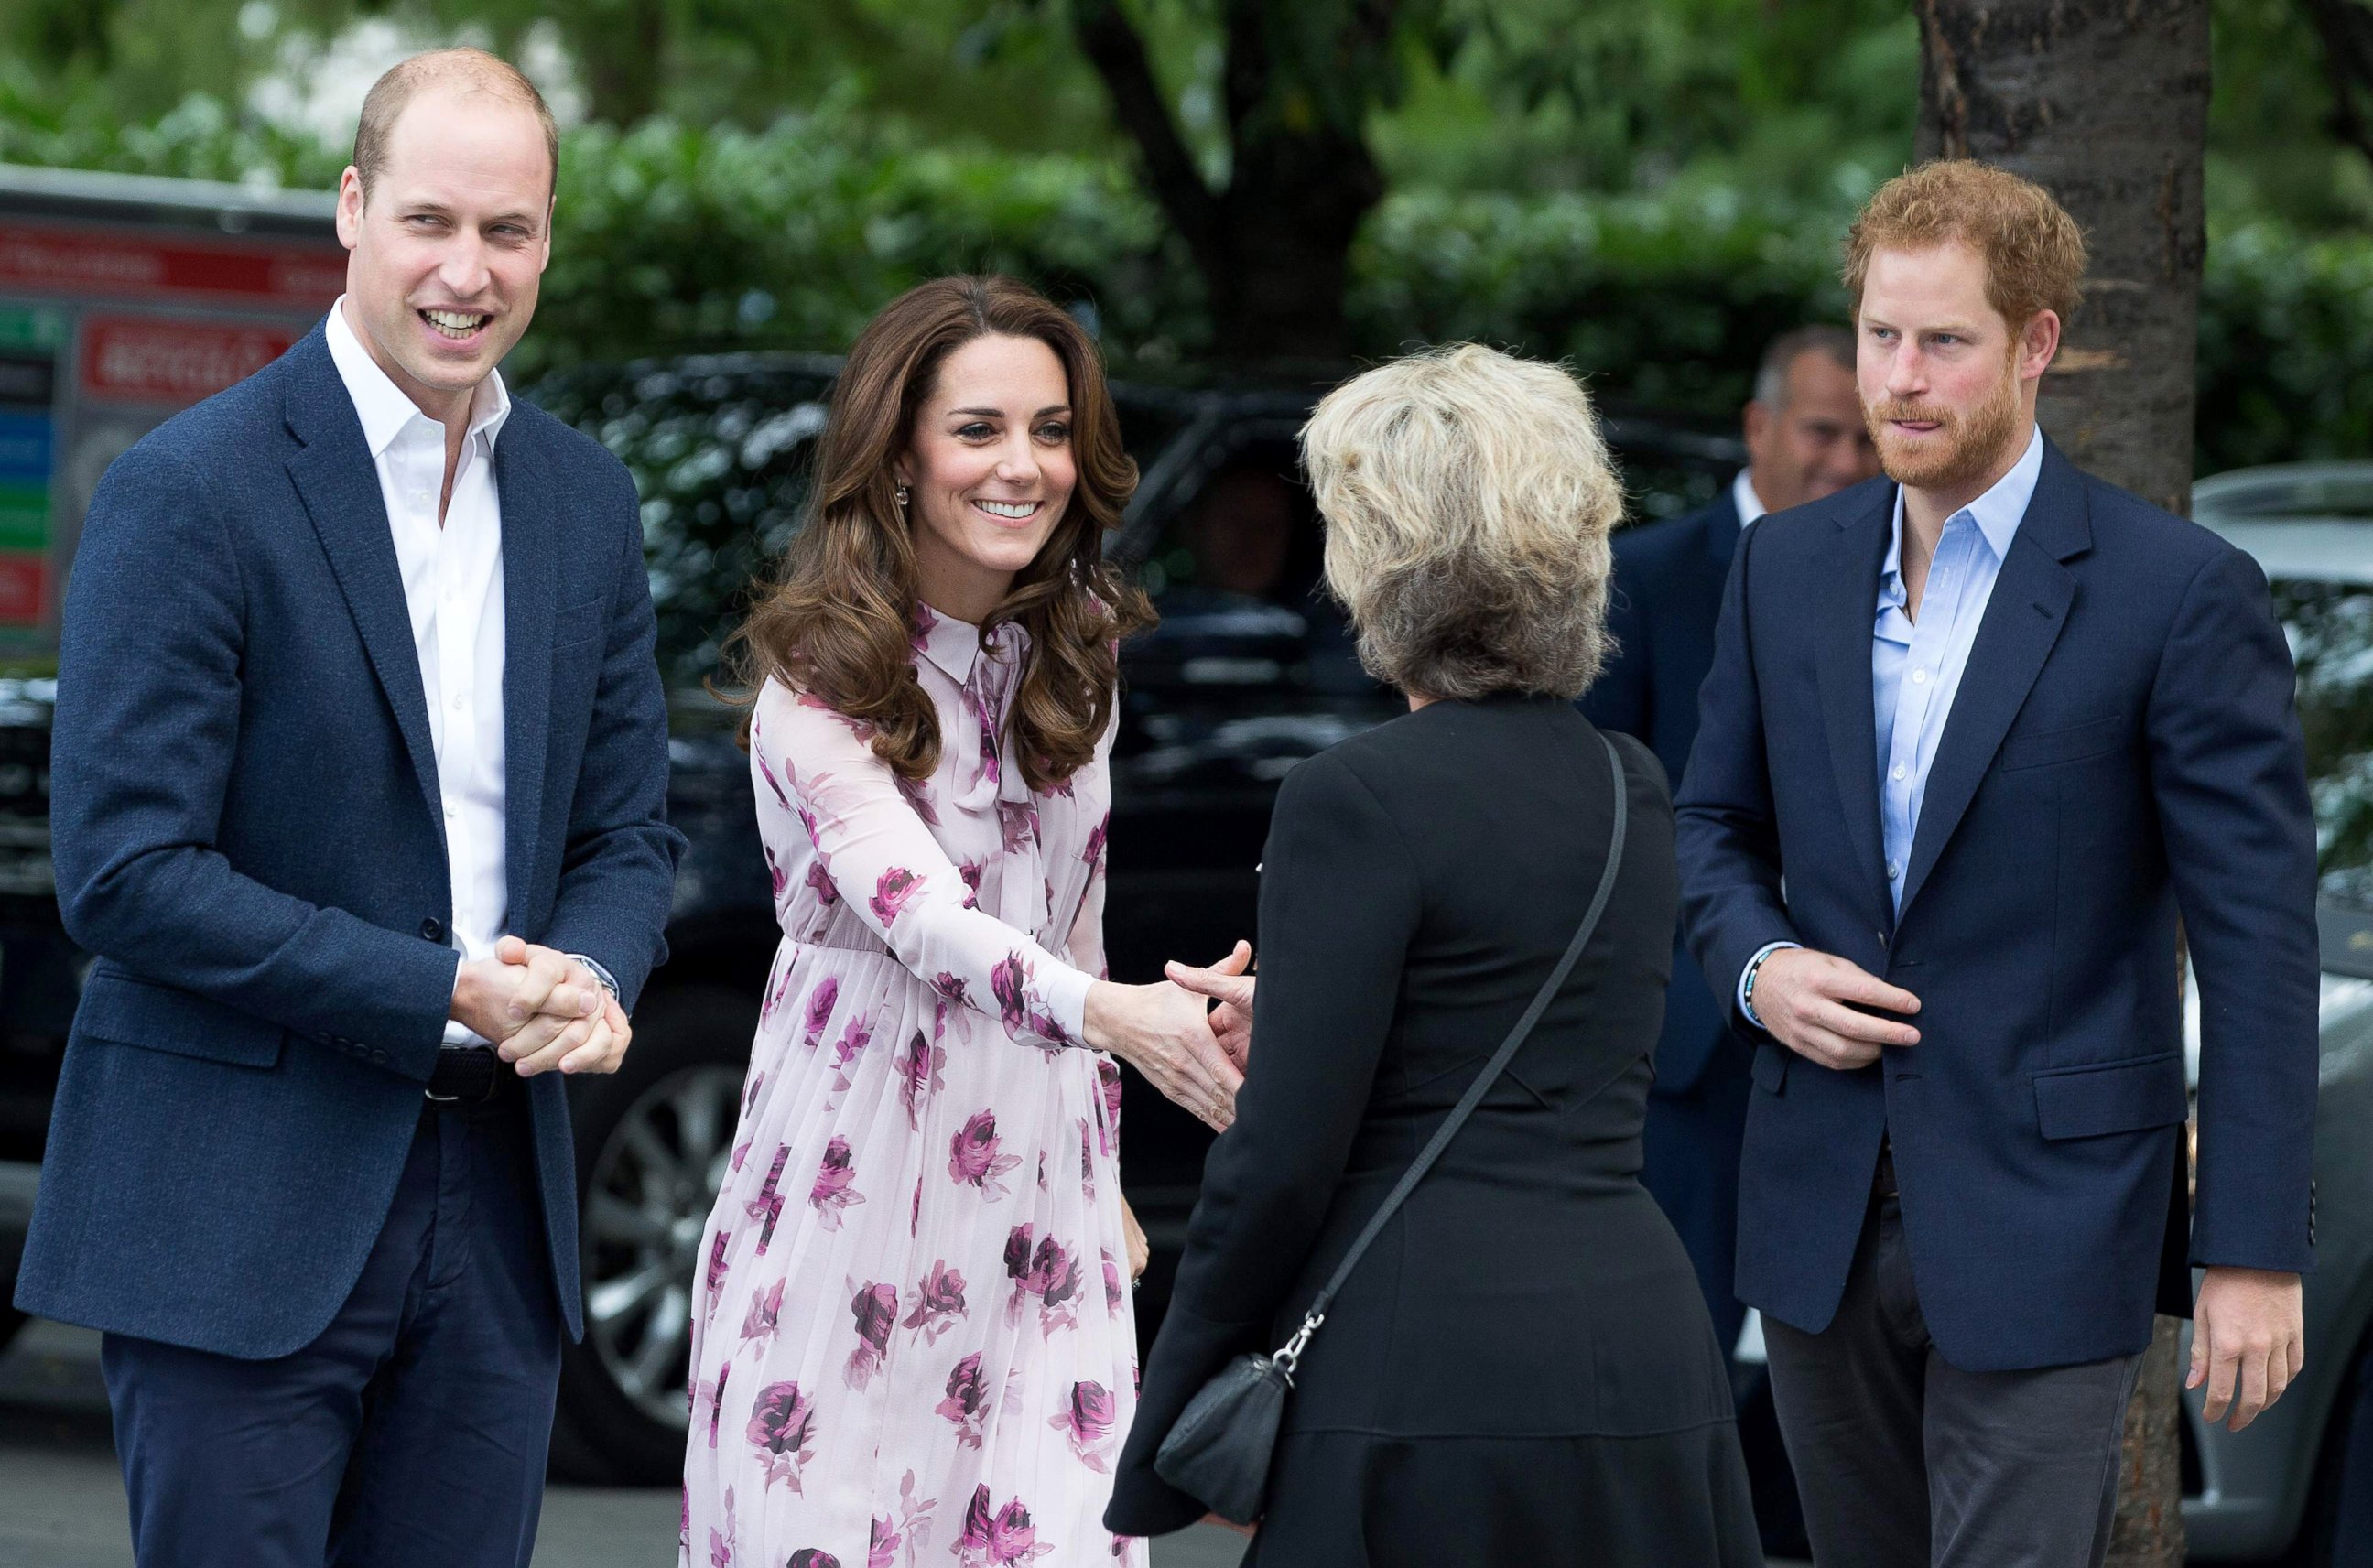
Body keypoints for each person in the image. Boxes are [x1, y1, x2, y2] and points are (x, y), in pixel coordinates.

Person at [14, 49, 683, 1568]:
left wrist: (590, 969)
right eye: (429, 221)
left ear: (550, 239)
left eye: (507, 231)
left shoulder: (584, 505)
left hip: (500, 1201)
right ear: (351, 210)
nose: (467, 270)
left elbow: (626, 832)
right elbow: (123, 867)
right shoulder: (191, 487)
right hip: (239, 1203)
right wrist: (436, 983)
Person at [1676, 158, 2318, 1568]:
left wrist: (2252, 1247)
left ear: (2036, 345)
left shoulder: (2177, 596)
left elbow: (2260, 939)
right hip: (1817, 1215)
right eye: (1880, 336)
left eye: (1944, 341)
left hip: (2055, 1218)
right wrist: (1759, 967)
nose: (1900, 379)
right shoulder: (1783, 568)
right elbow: (1706, 832)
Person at [1107, 344, 1762, 1565]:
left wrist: (1170, 1421)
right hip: (1640, 1347)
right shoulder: (1631, 784)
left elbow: (1282, 1165)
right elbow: (1521, 1027)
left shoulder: (1351, 795)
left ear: (1373, 556)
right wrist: (1302, 1020)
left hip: (1424, 1373)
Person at [680, 275, 1240, 1567]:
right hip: (847, 1176)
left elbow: (1077, 919)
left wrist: (1099, 1168)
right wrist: (1115, 1021)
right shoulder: (816, 680)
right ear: (899, 456)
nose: (1024, 466)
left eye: (1049, 431)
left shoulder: (1079, 649)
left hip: (1037, 1192)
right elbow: (919, 918)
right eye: (979, 429)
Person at [1585, 323, 1877, 1365]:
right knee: (1672, 1348)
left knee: (1837, 1363)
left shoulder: (1900, 580)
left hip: (1856, 1028)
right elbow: (1598, 807)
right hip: (1687, 1040)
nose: (1844, 462)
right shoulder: (1643, 579)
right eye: (1822, 432)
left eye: (1865, 440)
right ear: (1759, 427)